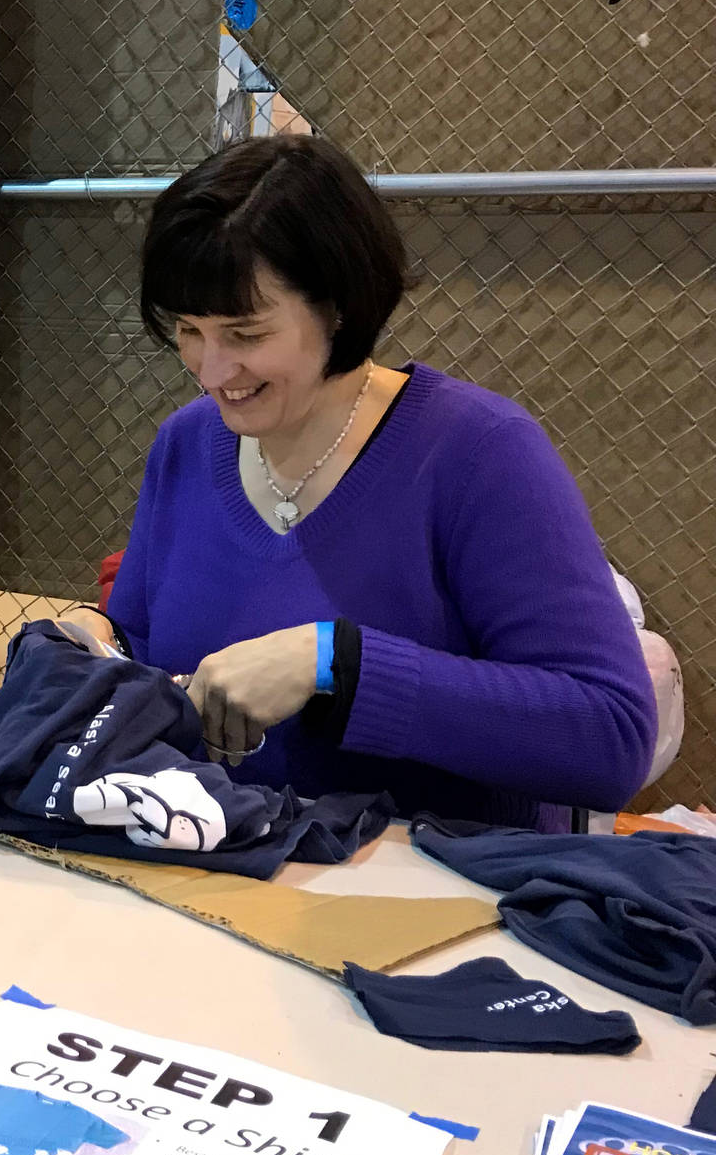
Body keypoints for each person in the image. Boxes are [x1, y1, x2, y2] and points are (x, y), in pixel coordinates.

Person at [87, 134, 655, 831]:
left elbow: (612, 738)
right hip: (221, 875)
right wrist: (95, 643)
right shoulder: (186, 442)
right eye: (188, 330)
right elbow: (145, 646)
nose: (210, 372)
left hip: (441, 904)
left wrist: (335, 664)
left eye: (245, 333)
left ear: (340, 308)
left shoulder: (478, 453)